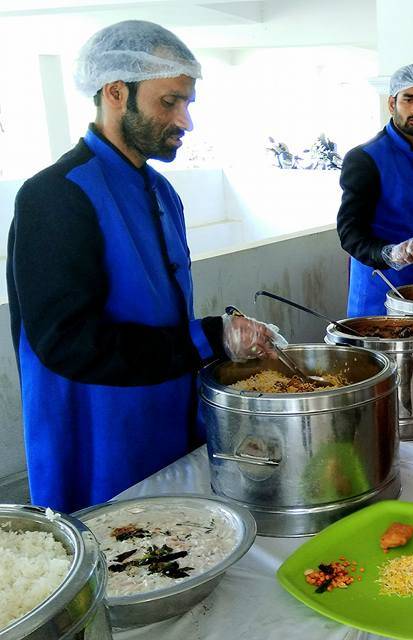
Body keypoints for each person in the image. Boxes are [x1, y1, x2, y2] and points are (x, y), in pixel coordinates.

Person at [6, 20, 280, 513]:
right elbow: (68, 343)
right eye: (169, 101)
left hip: (168, 428)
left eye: (188, 103)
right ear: (116, 92)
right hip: (100, 449)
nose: (185, 121)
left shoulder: (160, 192)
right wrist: (208, 337)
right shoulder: (57, 195)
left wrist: (219, 343)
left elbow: (159, 311)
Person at [337, 63, 413, 316]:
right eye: (409, 99)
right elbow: (349, 232)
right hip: (378, 293)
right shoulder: (365, 158)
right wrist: (391, 253)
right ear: (392, 104)